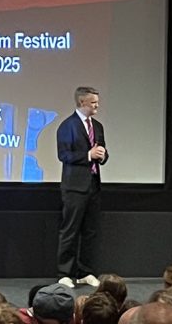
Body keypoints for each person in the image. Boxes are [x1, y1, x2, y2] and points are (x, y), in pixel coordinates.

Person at [56, 86, 108, 288]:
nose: (97, 105)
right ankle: (64, 273)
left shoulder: (98, 126)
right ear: (82, 103)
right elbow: (64, 155)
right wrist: (88, 156)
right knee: (70, 230)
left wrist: (103, 155)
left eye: (97, 101)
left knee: (90, 231)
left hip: (93, 185)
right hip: (74, 187)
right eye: (93, 102)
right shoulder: (67, 126)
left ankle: (85, 271)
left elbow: (101, 151)